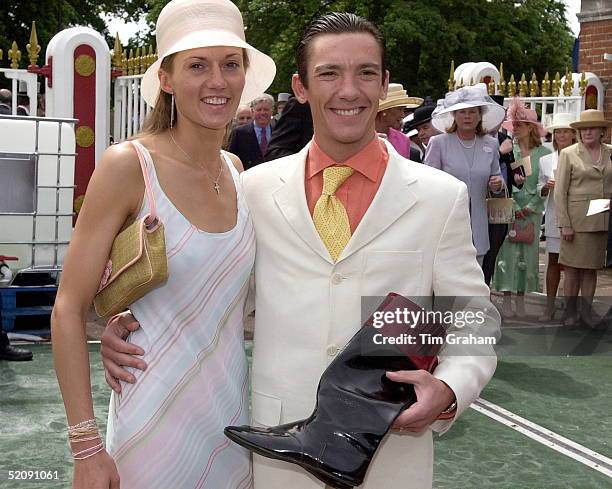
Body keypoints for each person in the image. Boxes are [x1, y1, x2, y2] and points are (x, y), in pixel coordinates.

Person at [101, 12, 500, 489]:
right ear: (302, 85)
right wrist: (131, 325)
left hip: (390, 455)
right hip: (277, 458)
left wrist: (450, 389)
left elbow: (473, 319)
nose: (348, 91)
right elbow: (215, 295)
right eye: (330, 73)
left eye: (365, 73)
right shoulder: (253, 189)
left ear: (384, 83)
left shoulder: (439, 197)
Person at [51, 0, 275, 488]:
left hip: (231, 425)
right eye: (197, 65)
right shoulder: (128, 166)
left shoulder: (238, 174)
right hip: (150, 425)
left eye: (230, 64)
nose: (217, 81)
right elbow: (67, 307)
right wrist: (87, 450)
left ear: (244, 75)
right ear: (167, 79)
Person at [424, 84, 505, 267]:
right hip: (447, 222)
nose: (467, 116)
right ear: (454, 115)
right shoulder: (438, 143)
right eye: (462, 112)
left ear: (480, 115)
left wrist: (497, 184)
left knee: (476, 278)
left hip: (478, 222)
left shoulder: (490, 144)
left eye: (472, 112)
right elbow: (427, 183)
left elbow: (496, 177)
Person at [493, 98, 551, 318]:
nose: (515, 129)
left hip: (533, 211)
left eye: (519, 125)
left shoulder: (543, 154)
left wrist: (532, 206)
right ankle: (506, 301)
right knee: (507, 255)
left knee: (527, 256)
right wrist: (515, 205)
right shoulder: (511, 151)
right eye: (513, 125)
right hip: (510, 208)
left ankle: (521, 301)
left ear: (531, 128)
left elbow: (547, 181)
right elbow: (506, 179)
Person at [555, 109, 612, 326]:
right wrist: (565, 224)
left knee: (591, 269)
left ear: (601, 131)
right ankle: (569, 313)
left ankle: (586, 313)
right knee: (572, 269)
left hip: (601, 218)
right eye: (583, 129)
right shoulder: (569, 153)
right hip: (575, 222)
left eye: (592, 128)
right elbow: (559, 192)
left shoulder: (610, 152)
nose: (587, 132)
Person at [482, 94, 525, 286]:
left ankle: (487, 287)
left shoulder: (505, 138)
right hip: (482, 201)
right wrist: (500, 153)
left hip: (502, 202)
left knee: (495, 247)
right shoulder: (478, 138)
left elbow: (518, 170)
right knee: (482, 248)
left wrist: (519, 177)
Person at [537, 113, 576, 321]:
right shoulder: (545, 160)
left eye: (566, 131)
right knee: (553, 260)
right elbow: (538, 189)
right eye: (558, 131)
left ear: (573, 134)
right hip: (554, 217)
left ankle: (572, 308)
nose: (561, 135)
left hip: (577, 217)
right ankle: (549, 306)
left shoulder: (580, 156)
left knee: (574, 264)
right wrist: (546, 187)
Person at [374, 83, 422, 160]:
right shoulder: (361, 137)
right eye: (399, 109)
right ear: (385, 110)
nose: (403, 115)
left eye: (404, 110)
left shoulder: (403, 140)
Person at [228, 93, 274, 169]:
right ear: (252, 111)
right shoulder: (239, 133)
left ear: (272, 111)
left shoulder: (278, 130)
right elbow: (232, 159)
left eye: (266, 109)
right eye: (259, 110)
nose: (262, 113)